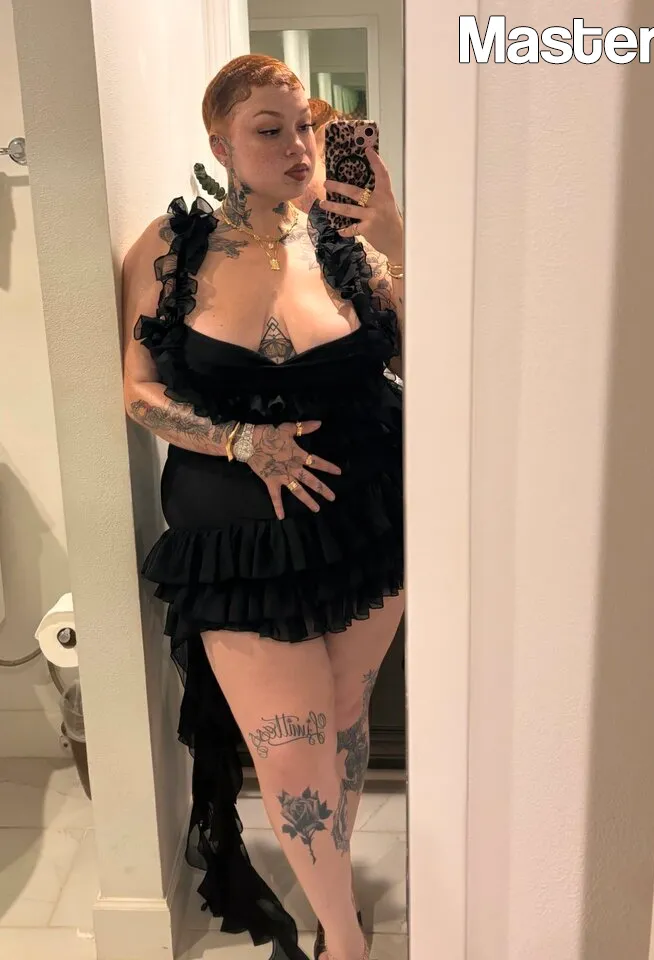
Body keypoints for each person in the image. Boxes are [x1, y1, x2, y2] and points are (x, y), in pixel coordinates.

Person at [121, 54, 404, 960]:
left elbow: (431, 364)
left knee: (346, 713)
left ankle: (333, 904)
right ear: (222, 146)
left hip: (366, 517)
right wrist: (244, 442)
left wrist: (397, 241)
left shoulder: (350, 248)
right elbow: (138, 390)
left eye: (306, 126)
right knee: (287, 745)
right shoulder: (171, 250)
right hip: (236, 536)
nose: (298, 146)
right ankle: (345, 940)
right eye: (269, 129)